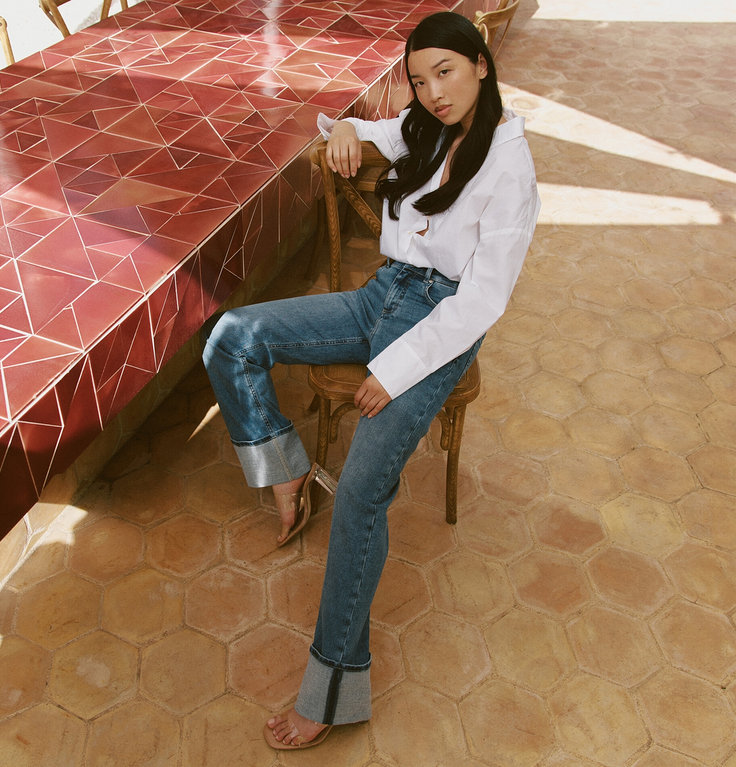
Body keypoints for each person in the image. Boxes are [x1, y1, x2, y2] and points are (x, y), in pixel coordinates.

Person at [202, 10, 540, 750]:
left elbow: (484, 300)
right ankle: (285, 468)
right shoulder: (423, 124)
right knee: (231, 337)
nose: (433, 92)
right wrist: (345, 130)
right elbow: (357, 130)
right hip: (378, 294)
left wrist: (393, 370)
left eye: (446, 72)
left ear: (482, 64)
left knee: (360, 493)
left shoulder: (509, 165)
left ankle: (331, 688)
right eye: (419, 80)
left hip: (435, 325)